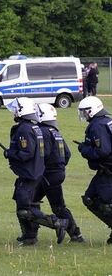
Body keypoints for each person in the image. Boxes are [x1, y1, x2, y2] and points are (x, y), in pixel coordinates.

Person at [4, 97, 68, 246]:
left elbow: (27, 152)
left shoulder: (24, 129)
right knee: (22, 204)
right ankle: (29, 236)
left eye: (15, 109)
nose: (13, 112)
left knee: (25, 209)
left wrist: (10, 153)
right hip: (32, 173)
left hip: (29, 174)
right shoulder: (34, 128)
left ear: (21, 111)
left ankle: (57, 223)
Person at [33, 103, 84, 242]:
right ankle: (74, 234)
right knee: (34, 201)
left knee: (52, 207)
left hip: (47, 175)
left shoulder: (41, 131)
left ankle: (71, 232)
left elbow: (45, 154)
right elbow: (67, 154)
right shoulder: (55, 132)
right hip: (56, 173)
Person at [76, 96, 112, 243]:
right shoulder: (108, 121)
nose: (83, 115)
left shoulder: (97, 126)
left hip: (108, 171)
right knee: (91, 198)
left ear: (92, 111)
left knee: (97, 200)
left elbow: (102, 151)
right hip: (106, 170)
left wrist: (84, 149)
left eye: (84, 112)